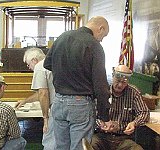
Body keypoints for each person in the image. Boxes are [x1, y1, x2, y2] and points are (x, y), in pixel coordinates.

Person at [44, 16, 112, 150]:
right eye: (103, 35)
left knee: (60, 147)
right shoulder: (94, 45)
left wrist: (66, 72)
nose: (102, 39)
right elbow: (101, 85)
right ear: (101, 28)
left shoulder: (62, 37)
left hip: (58, 102)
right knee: (80, 147)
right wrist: (104, 115)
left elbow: (47, 63)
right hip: (80, 105)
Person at [91, 65, 150, 150]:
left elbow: (144, 112)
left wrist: (134, 123)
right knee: (90, 145)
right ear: (113, 76)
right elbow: (91, 114)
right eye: (118, 81)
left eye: (124, 82)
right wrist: (101, 124)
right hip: (101, 137)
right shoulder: (103, 91)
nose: (120, 85)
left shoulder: (133, 93)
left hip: (123, 139)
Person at [15, 47, 55, 150]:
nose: (29, 67)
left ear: (34, 60)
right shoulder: (54, 63)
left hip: (57, 108)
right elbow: (43, 92)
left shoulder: (40, 66)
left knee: (50, 141)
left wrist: (45, 118)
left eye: (28, 64)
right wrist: (25, 101)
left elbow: (43, 93)